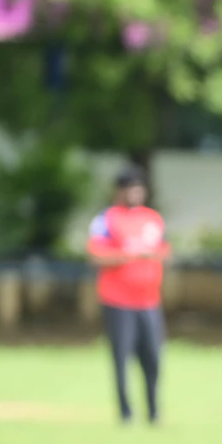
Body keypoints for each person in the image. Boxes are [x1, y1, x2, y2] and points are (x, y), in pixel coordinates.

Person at [86, 168, 169, 424]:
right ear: (119, 191)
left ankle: (154, 412)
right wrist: (128, 254)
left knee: (153, 357)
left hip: (149, 301)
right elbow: (96, 255)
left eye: (139, 187)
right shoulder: (106, 219)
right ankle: (125, 413)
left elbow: (164, 250)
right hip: (118, 300)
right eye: (130, 188)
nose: (136, 192)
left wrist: (151, 254)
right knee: (121, 358)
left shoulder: (152, 219)